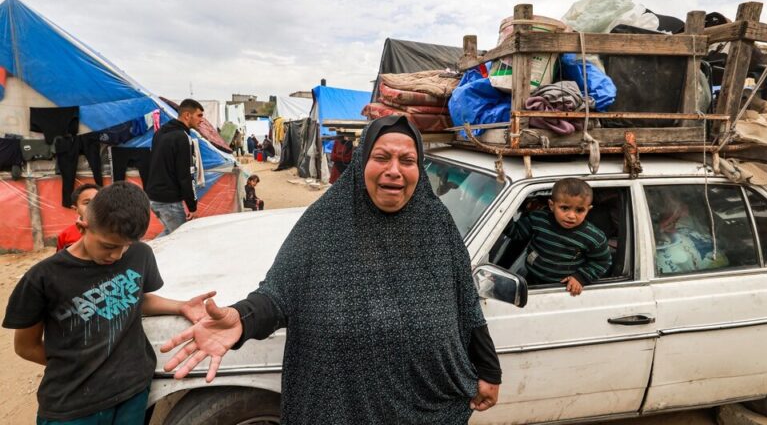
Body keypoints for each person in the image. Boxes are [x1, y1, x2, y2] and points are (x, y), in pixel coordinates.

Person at [161, 115, 502, 424]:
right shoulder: (326, 223)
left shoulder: (437, 224)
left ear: (418, 167)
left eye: (407, 160)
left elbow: (465, 302)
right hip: (340, 406)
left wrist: (489, 369)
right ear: (361, 162)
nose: (394, 170)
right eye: (381, 157)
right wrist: (243, 318)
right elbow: (279, 294)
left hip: (425, 404)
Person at [2, 181, 215, 424]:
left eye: (126, 246)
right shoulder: (43, 278)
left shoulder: (140, 254)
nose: (117, 255)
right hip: (73, 405)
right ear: (82, 226)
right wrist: (76, 366)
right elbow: (26, 347)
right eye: (108, 246)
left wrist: (180, 305)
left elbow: (136, 298)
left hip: (132, 391)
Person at [508, 178, 611, 296]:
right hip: (531, 279)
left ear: (588, 209)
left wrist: (580, 277)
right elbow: (517, 233)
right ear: (551, 205)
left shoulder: (594, 237)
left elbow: (603, 261)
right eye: (565, 208)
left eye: (579, 210)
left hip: (564, 288)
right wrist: (502, 215)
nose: (572, 216)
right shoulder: (538, 220)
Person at [146, 98, 203, 237]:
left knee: (170, 234)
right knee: (181, 237)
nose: (202, 120)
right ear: (187, 115)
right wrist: (192, 206)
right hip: (168, 201)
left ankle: (148, 255)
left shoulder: (160, 132)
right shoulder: (182, 137)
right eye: (199, 115)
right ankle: (146, 256)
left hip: (153, 196)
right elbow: (186, 175)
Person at [56, 183, 101, 251]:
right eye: (87, 203)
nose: (93, 206)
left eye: (98, 201)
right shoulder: (65, 235)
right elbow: (61, 260)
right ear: (75, 209)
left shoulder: (114, 230)